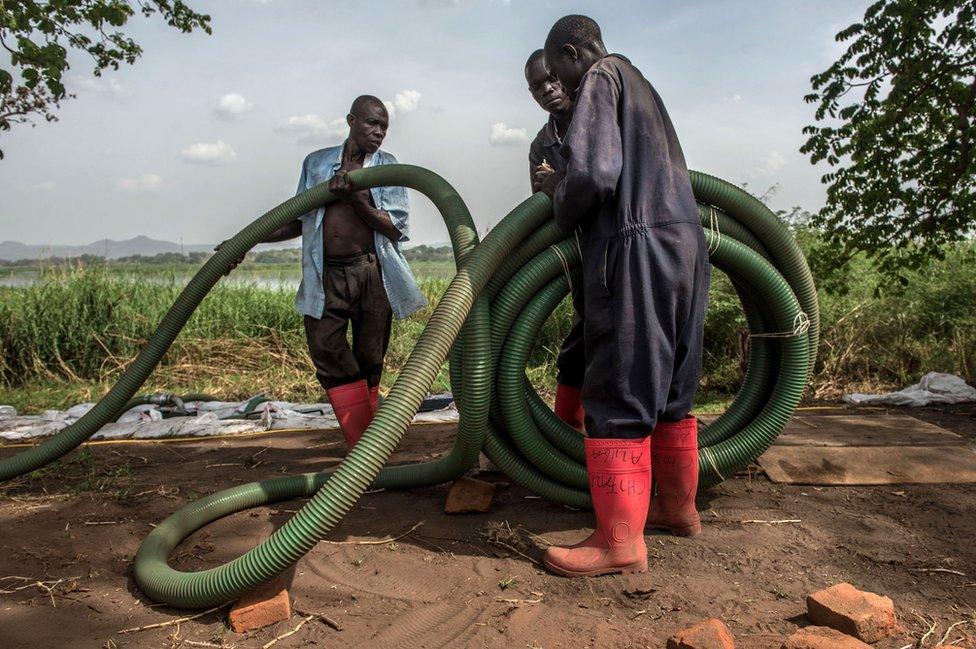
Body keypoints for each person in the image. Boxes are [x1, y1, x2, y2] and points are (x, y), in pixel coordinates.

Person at [534, 15, 710, 577]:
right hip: (685, 245)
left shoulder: (601, 78)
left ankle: (619, 543)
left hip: (635, 248)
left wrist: (558, 189)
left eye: (556, 69)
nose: (556, 83)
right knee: (673, 389)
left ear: (570, 52)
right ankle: (677, 511)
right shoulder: (639, 82)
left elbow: (596, 175)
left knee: (617, 388)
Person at [260, 95, 426, 450]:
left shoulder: (387, 167)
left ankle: (363, 445)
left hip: (371, 271)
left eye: (384, 126)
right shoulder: (318, 164)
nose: (379, 132)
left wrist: (357, 200)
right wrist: (245, 241)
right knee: (327, 349)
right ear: (351, 121)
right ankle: (366, 441)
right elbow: (298, 219)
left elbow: (396, 228)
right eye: (372, 123)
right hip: (326, 274)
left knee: (370, 356)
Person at [524, 48, 586, 433]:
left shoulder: (599, 118)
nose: (547, 89)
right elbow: (540, 208)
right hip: (578, 251)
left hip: (623, 244)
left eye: (551, 79)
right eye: (536, 87)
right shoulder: (540, 146)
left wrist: (558, 183)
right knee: (584, 336)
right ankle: (568, 434)